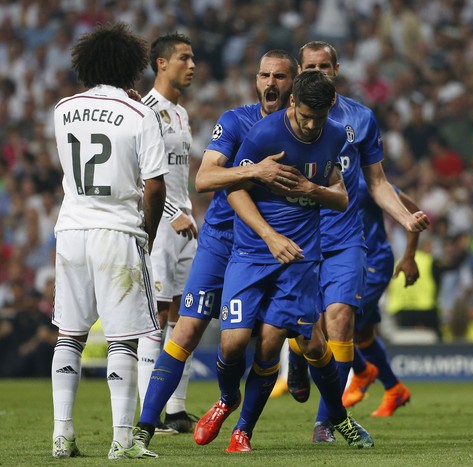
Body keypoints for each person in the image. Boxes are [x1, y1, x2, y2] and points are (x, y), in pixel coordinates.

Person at [198, 69, 373, 452]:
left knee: (281, 345)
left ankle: (246, 432)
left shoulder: (336, 136)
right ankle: (228, 399)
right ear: (293, 102)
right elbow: (234, 191)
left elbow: (342, 198)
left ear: (330, 107)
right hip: (252, 250)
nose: (311, 126)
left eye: (319, 117)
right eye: (304, 116)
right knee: (232, 344)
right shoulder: (264, 135)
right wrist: (269, 235)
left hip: (298, 257)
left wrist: (313, 189)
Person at [133, 50, 301, 448]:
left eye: (279, 76)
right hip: (223, 239)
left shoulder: (303, 130)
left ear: (292, 82)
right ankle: (144, 424)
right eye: (264, 75)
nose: (271, 83)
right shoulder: (235, 121)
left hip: (268, 249)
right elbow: (204, 178)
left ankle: (242, 426)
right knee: (187, 328)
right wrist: (255, 170)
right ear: (256, 79)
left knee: (265, 342)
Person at [287, 40, 429, 443]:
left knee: (342, 322)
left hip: (347, 239)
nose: (318, 72)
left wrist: (405, 218)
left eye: (325, 66)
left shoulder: (361, 119)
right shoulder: (284, 116)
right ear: (300, 70)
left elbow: (378, 183)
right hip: (299, 238)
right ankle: (298, 358)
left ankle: (326, 420)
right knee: (303, 329)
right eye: (310, 66)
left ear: (337, 69)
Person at [51, 22, 165, 460]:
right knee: (124, 340)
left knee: (70, 335)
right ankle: (121, 440)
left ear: (88, 62)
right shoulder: (141, 114)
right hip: (117, 229)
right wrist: (148, 235)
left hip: (72, 228)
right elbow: (154, 187)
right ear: (133, 66)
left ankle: (62, 435)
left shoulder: (63, 107)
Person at [137, 32, 198, 435]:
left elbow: (177, 176)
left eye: (192, 59)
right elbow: (143, 175)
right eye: (183, 58)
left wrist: (188, 212)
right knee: (155, 317)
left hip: (185, 226)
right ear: (160, 63)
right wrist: (174, 212)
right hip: (161, 224)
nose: (192, 65)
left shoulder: (180, 113)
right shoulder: (145, 110)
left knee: (185, 313)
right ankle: (149, 412)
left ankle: (175, 409)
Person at [341, 173, 420, 416]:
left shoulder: (365, 184)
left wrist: (408, 256)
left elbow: (414, 211)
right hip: (345, 266)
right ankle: (395, 389)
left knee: (337, 324)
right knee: (363, 335)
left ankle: (363, 372)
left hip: (373, 264)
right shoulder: (318, 177)